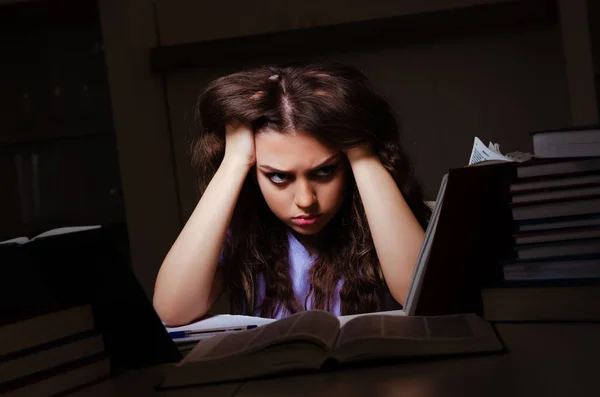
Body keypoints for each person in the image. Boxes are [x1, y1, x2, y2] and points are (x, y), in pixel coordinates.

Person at [153, 62, 431, 326]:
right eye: (279, 176)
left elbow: (423, 295)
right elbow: (172, 310)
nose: (306, 200)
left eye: (324, 171)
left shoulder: (379, 216)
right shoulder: (243, 227)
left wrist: (362, 153)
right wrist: (234, 160)